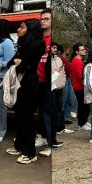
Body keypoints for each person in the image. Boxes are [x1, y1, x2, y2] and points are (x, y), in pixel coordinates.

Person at [5, 19, 44, 164]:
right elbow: (11, 62)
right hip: (20, 83)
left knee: (27, 118)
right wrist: (19, 62)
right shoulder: (23, 45)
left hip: (29, 83)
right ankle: (20, 146)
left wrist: (19, 62)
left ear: (30, 29)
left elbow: (23, 66)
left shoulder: (36, 45)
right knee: (19, 116)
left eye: (22, 27)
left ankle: (30, 152)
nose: (18, 30)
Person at [34, 9, 56, 156]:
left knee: (49, 112)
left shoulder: (52, 40)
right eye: (42, 19)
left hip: (49, 81)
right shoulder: (38, 38)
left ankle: (51, 143)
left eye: (47, 19)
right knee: (41, 112)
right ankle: (42, 136)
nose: (43, 21)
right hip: (37, 80)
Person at [51, 43, 73, 137]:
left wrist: (63, 81)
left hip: (60, 87)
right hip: (52, 88)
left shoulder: (59, 59)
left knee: (60, 108)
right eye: (53, 47)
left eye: (56, 48)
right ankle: (54, 128)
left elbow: (63, 71)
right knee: (53, 109)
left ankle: (61, 127)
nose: (55, 49)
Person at [69, 44, 90, 131]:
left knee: (84, 106)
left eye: (84, 49)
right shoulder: (77, 62)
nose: (84, 50)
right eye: (82, 49)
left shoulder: (79, 61)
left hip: (81, 87)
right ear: (76, 51)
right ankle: (81, 124)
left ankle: (84, 122)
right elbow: (81, 76)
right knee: (83, 107)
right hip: (80, 88)